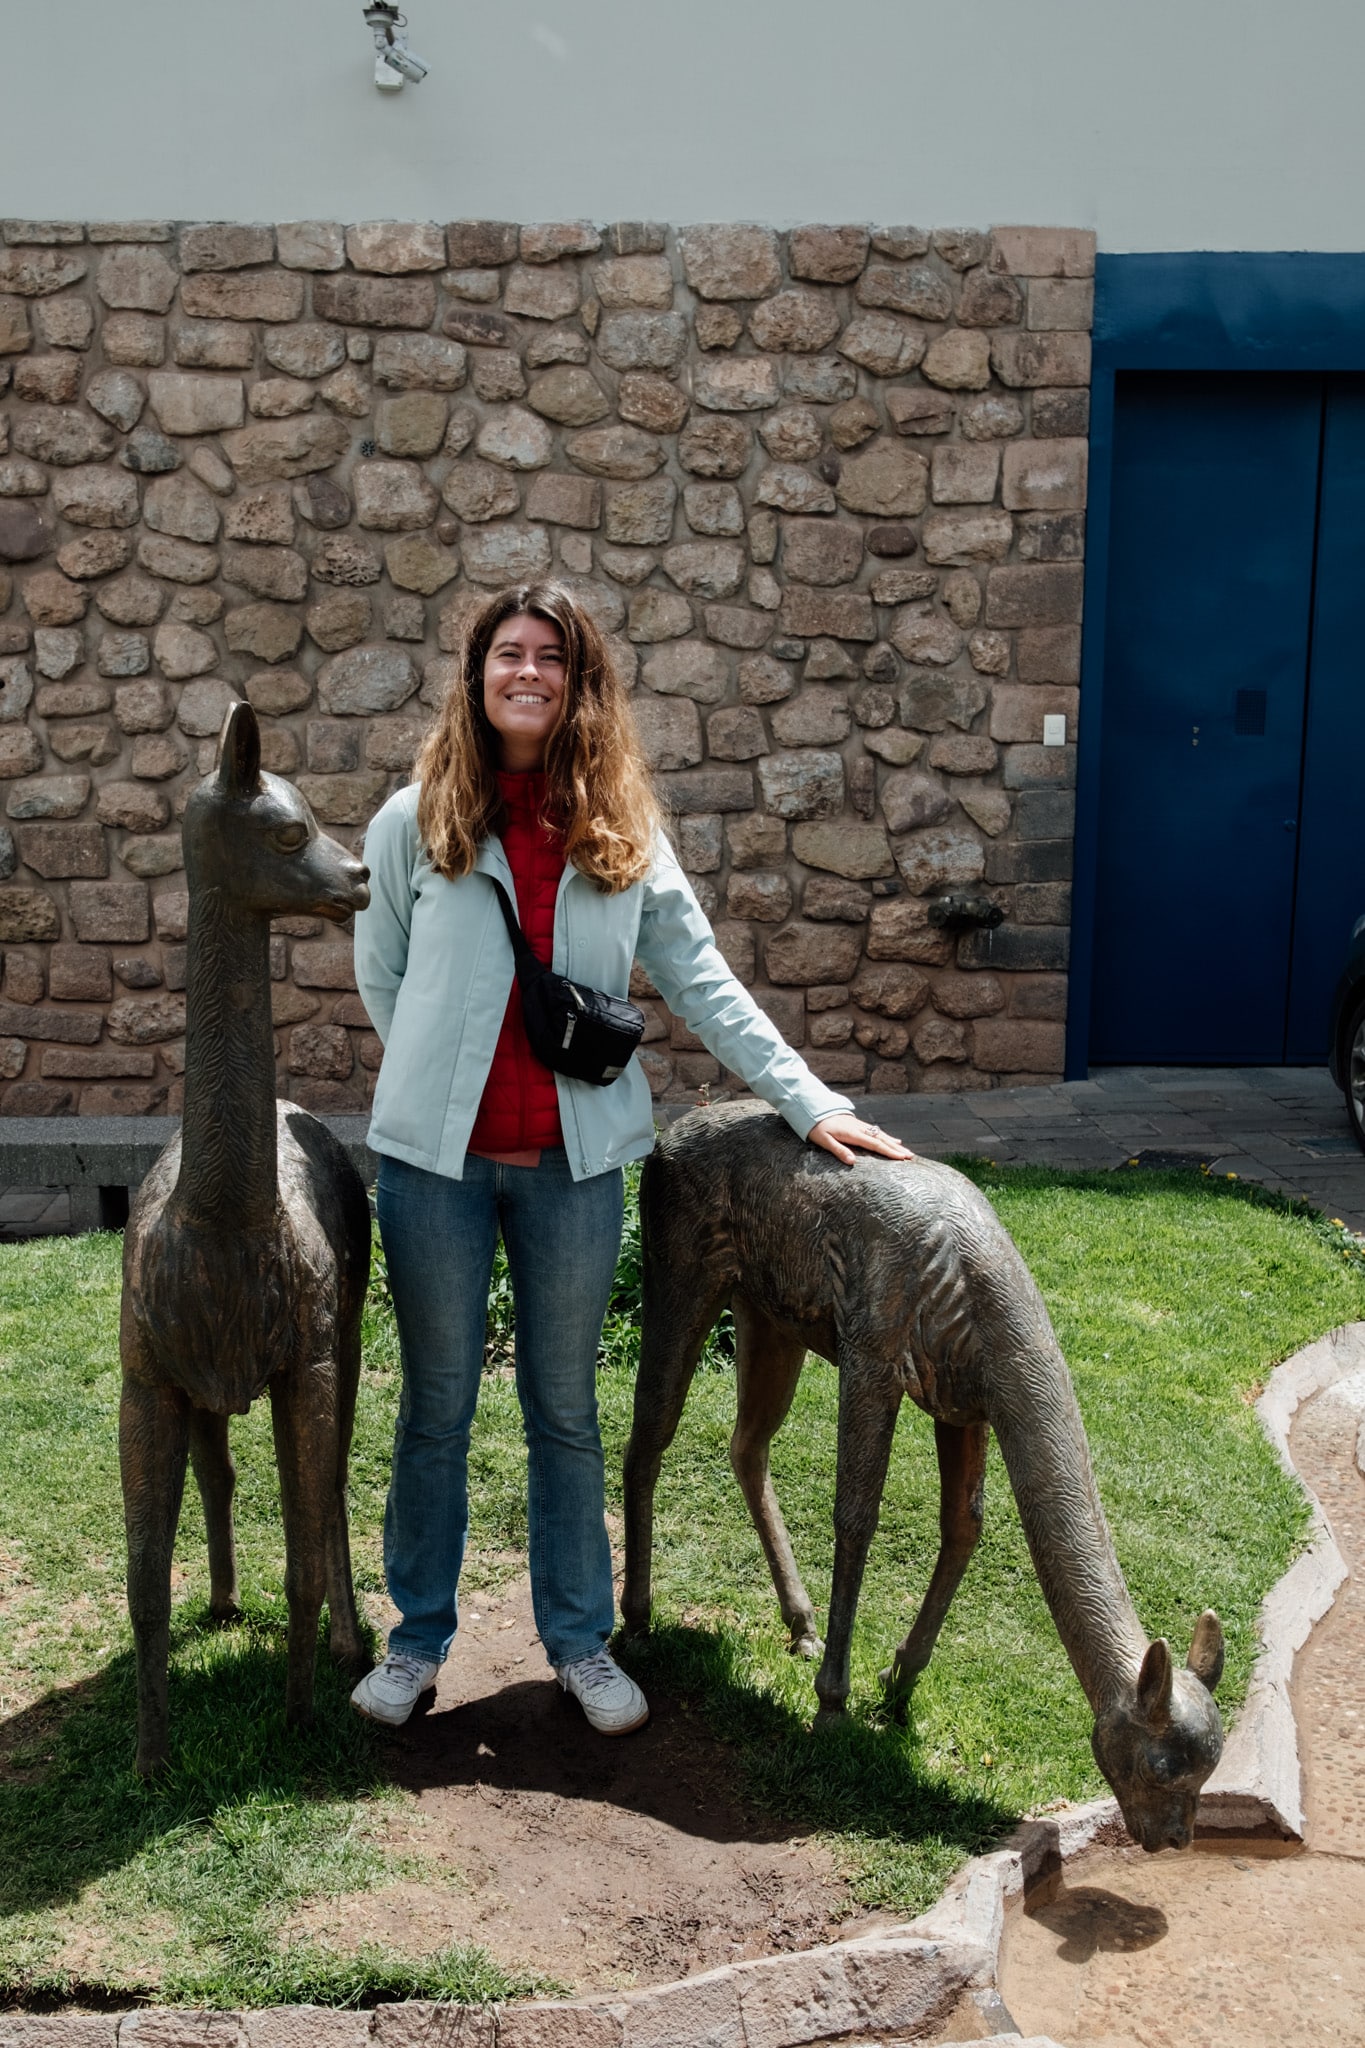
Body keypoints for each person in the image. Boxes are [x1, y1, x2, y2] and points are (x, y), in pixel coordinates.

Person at [350, 581, 912, 1737]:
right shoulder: (416, 820)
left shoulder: (619, 832)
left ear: (579, 682)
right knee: (436, 1407)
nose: (527, 673)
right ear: (476, 674)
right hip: (434, 1169)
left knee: (564, 1408)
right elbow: (384, 977)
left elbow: (707, 984)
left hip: (572, 1166)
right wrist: (437, 1073)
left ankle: (577, 1640)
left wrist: (810, 1103)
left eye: (550, 658)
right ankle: (415, 1640)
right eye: (507, 653)